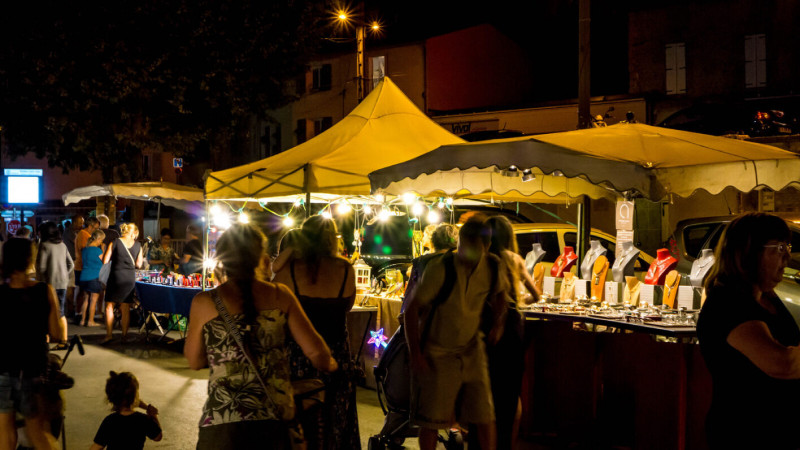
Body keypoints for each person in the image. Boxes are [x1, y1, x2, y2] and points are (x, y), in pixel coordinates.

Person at [184, 223, 337, 449]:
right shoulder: (281, 295)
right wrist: (332, 364)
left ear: (222, 260)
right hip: (275, 421)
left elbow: (194, 361)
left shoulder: (205, 302)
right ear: (262, 259)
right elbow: (317, 353)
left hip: (223, 423)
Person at [696, 213, 800, 449]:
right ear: (750, 252)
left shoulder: (766, 296)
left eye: (788, 247)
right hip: (745, 432)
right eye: (779, 248)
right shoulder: (728, 305)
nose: (787, 256)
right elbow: (783, 364)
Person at [404, 219, 509, 450]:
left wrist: (498, 324)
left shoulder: (493, 266)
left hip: (472, 348)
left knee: (485, 414)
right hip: (437, 351)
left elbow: (501, 295)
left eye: (473, 248)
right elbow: (411, 310)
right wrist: (416, 354)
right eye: (462, 246)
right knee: (431, 419)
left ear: (486, 246)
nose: (464, 254)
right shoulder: (440, 268)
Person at [272, 215, 361, 450]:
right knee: (335, 419)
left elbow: (274, 300)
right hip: (336, 354)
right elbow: (348, 306)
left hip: (298, 354)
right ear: (332, 239)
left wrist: (291, 250)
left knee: (302, 422)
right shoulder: (346, 269)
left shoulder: (291, 270)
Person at [470, 215, 539, 450]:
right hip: (512, 325)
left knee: (486, 387)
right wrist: (517, 301)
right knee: (510, 390)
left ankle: (482, 442)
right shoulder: (515, 259)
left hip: (487, 322)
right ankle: (506, 442)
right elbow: (536, 295)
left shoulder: (484, 259)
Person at [0, 238, 64, 450]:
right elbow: (56, 334)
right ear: (30, 259)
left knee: (6, 432)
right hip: (33, 368)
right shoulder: (44, 290)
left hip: (3, 367)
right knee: (36, 431)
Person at [90, 371, 162, 450]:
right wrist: (153, 415)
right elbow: (157, 437)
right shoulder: (143, 419)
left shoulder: (110, 420)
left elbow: (97, 447)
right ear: (135, 396)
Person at [36, 221, 75, 348]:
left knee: (46, 312)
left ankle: (47, 340)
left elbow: (41, 267)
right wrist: (64, 275)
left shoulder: (44, 245)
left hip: (49, 284)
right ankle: (63, 340)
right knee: (61, 312)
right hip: (62, 283)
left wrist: (40, 279)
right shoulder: (62, 245)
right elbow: (71, 264)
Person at [403, 223, 458, 313]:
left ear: (433, 240)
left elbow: (410, 296)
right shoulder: (462, 262)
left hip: (427, 316)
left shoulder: (422, 262)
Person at [102, 223, 143, 344]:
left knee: (109, 306)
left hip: (115, 276)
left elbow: (105, 260)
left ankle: (109, 335)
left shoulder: (115, 242)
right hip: (129, 278)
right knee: (125, 308)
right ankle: (124, 336)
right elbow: (139, 264)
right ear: (134, 233)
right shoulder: (138, 245)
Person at [74, 217, 101, 324]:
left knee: (85, 296)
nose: (96, 231)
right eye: (96, 228)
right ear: (90, 226)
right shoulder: (84, 234)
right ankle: (85, 317)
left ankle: (82, 318)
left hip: (83, 268)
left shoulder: (84, 234)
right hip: (83, 268)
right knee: (89, 296)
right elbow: (84, 249)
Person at [80, 229, 106, 327]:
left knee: (85, 299)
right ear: (98, 239)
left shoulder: (85, 249)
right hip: (94, 277)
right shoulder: (97, 250)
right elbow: (104, 261)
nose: (101, 242)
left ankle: (83, 320)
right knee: (93, 300)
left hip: (84, 277)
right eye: (101, 240)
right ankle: (91, 321)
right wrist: (103, 249)